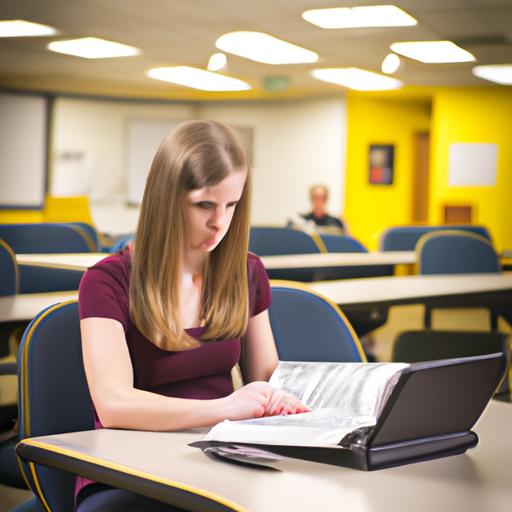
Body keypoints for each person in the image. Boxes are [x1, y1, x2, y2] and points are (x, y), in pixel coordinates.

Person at [76, 120, 309, 511]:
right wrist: (223, 409)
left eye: (231, 205)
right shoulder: (107, 280)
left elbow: (267, 377)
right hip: (129, 467)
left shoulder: (246, 271)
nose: (220, 222)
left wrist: (287, 400)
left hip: (219, 457)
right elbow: (113, 405)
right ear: (166, 200)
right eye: (204, 205)